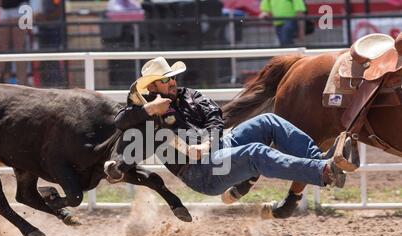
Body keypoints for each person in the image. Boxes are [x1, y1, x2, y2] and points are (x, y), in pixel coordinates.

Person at [104, 57, 348, 200]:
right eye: (167, 79)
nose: (173, 81)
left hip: (219, 148)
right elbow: (120, 121)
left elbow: (214, 117)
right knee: (255, 152)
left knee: (269, 122)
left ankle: (319, 161)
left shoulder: (190, 95)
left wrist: (207, 143)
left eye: (173, 77)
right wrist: (150, 111)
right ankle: (323, 171)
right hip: (200, 171)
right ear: (154, 86)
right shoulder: (144, 113)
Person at [0, 0, 28, 85]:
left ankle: (22, 84)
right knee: (0, 49)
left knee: (19, 48)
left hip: (20, 7)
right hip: (5, 8)